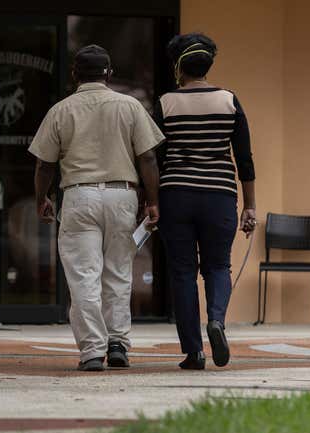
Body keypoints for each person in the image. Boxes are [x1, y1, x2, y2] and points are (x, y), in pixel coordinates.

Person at [29, 45, 164, 371]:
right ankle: (118, 343)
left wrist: (41, 198)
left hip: (78, 196)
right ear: (110, 73)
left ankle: (92, 350)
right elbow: (147, 158)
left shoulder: (61, 110)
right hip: (122, 195)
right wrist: (153, 200)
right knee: (118, 274)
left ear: (75, 74)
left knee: (83, 277)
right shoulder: (130, 106)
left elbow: (44, 164)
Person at [154, 33, 257, 370]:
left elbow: (156, 158)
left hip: (176, 195)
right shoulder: (229, 100)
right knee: (217, 266)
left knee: (183, 272)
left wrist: (150, 201)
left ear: (179, 66)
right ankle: (217, 322)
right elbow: (244, 159)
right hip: (219, 196)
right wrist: (250, 207)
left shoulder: (166, 102)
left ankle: (194, 352)